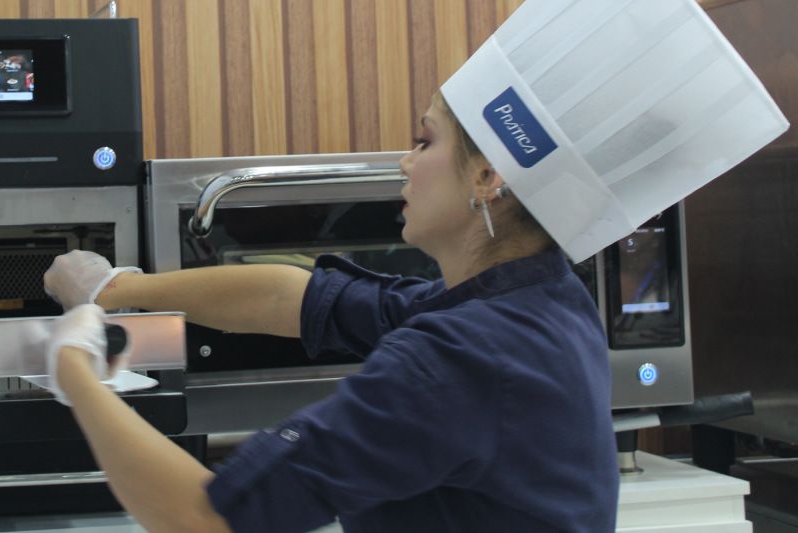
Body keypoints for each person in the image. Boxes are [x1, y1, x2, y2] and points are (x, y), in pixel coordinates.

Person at [42, 91, 618, 532]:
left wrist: (72, 365)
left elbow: (206, 518)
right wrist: (117, 288)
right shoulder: (537, 300)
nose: (404, 163)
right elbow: (291, 297)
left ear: (487, 178)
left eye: (425, 142)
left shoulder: (458, 358)